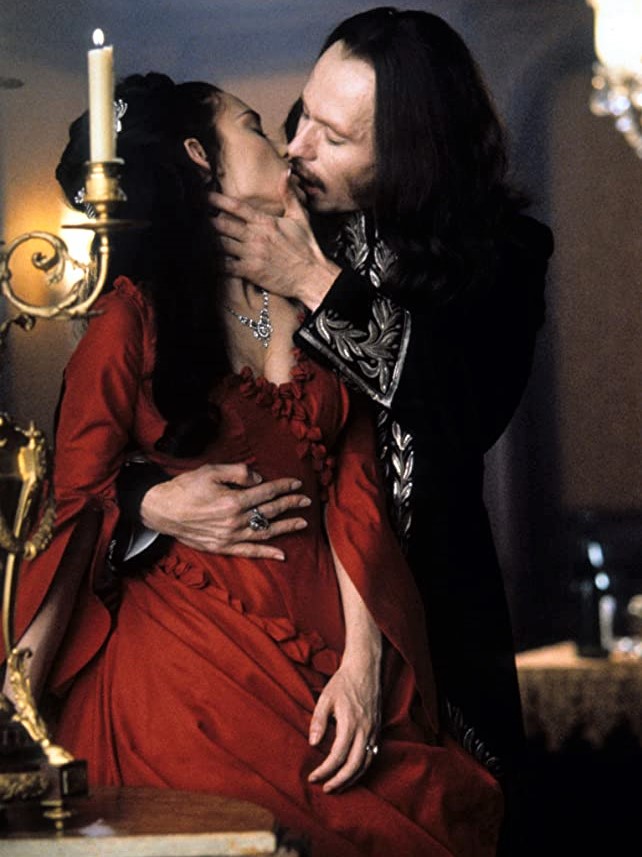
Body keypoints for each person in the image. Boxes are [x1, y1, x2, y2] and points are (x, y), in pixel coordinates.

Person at [4, 72, 504, 857]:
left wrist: (364, 665)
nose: (283, 143)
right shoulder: (129, 317)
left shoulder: (304, 301)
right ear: (200, 155)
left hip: (330, 657)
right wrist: (15, 711)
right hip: (188, 675)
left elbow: (357, 495)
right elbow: (69, 511)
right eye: (255, 125)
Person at [132, 4, 554, 800]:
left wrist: (312, 282)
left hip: (434, 611)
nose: (296, 147)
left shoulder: (503, 253)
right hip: (276, 610)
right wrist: (147, 499)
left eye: (334, 136)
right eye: (302, 115)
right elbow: (147, 400)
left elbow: (462, 412)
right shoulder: (267, 213)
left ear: (411, 155)